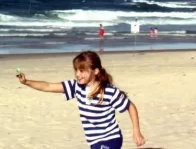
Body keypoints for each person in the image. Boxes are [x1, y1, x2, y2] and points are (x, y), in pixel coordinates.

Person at [16, 51, 146, 148]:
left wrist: (136, 131)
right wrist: (26, 82)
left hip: (111, 138)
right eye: (76, 70)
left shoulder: (109, 91)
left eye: (82, 70)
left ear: (95, 71)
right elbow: (48, 86)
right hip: (94, 141)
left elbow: (130, 106)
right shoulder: (76, 87)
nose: (78, 74)